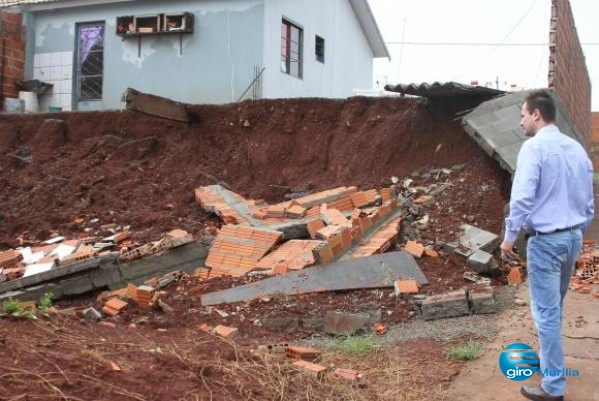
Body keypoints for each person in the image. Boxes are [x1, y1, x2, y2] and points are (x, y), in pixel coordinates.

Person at [500, 89, 594, 401]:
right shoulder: (576, 148)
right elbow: (588, 198)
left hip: (547, 242)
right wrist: (577, 230)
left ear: (537, 114)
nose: (522, 121)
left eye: (523, 114)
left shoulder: (534, 147)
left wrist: (509, 237)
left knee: (546, 313)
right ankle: (549, 365)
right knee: (555, 307)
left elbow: (523, 196)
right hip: (572, 238)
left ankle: (553, 387)